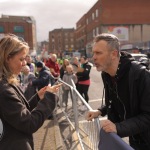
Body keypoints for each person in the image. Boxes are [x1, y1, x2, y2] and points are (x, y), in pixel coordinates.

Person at [86, 33, 150, 150]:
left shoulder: (140, 75)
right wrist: (100, 110)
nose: (93, 57)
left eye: (98, 53)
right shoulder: (106, 74)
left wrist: (118, 127)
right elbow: (115, 99)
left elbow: (148, 115)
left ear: (114, 54)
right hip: (135, 138)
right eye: (93, 53)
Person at [0, 34, 62, 150]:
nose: (24, 63)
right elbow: (29, 123)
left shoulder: (6, 83)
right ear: (8, 58)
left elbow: (18, 112)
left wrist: (38, 97)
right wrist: (49, 98)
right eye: (21, 59)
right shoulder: (4, 90)